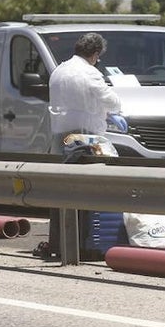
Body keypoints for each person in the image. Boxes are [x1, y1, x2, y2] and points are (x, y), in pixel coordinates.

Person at [40, 32, 125, 259]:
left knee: (61, 193)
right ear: (95, 54)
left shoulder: (59, 71)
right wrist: (114, 110)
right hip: (85, 139)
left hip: (60, 139)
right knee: (86, 193)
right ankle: (84, 245)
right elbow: (111, 100)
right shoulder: (89, 72)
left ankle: (60, 243)